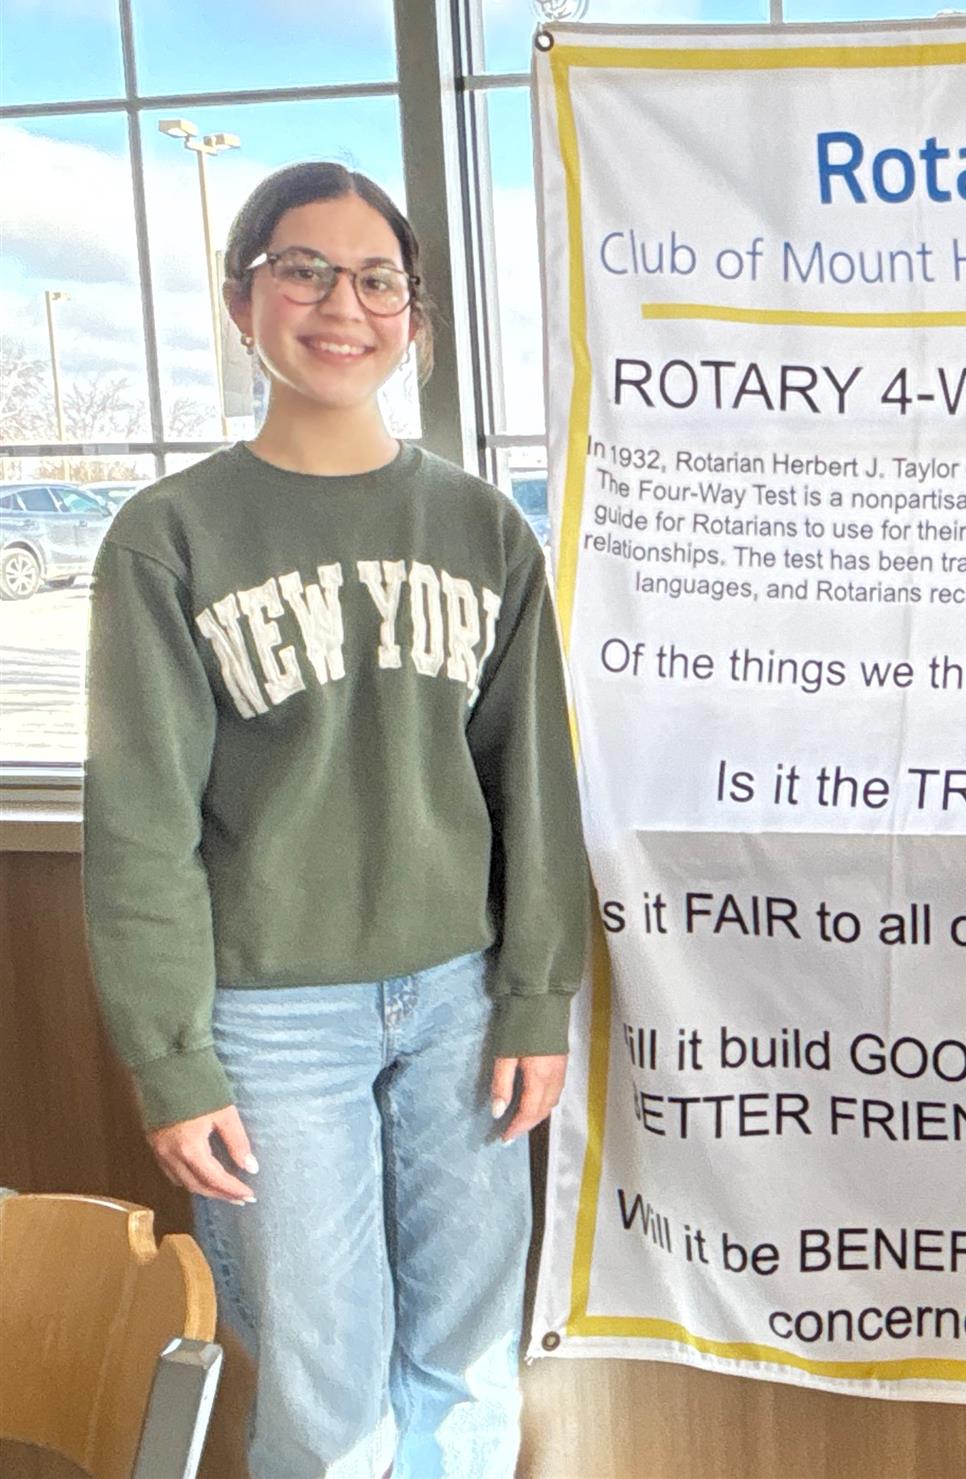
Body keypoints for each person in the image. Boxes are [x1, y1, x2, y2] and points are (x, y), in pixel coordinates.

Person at [83, 161, 590, 1478]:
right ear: (242, 298)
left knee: (469, 1352)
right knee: (326, 1380)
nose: (341, 306)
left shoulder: (482, 528)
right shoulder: (167, 536)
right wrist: (172, 1056)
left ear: (414, 316)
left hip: (460, 999)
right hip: (269, 1020)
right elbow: (140, 822)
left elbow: (532, 782)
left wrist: (537, 997)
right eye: (302, 271)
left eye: (376, 280)